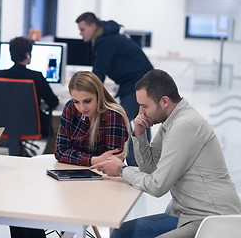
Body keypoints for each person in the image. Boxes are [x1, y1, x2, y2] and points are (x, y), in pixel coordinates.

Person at [91, 69, 241, 238]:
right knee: (122, 233)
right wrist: (140, 134)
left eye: (144, 106)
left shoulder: (184, 125)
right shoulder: (170, 122)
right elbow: (150, 170)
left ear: (164, 101)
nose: (140, 112)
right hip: (185, 215)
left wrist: (121, 170)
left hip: (210, 220)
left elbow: (157, 186)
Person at [76, 12, 153, 166]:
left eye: (82, 29)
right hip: (142, 84)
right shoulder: (108, 37)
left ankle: (132, 165)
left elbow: (99, 71)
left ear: (93, 26)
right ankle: (141, 163)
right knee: (139, 120)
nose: (80, 33)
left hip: (138, 85)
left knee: (119, 119)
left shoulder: (105, 41)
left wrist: (83, 91)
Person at [0, 36, 59, 138]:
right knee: (58, 124)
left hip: (1, 126)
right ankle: (47, 153)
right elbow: (53, 102)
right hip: (31, 126)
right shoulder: (36, 77)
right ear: (27, 54)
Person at [54, 71, 129, 166]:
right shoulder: (71, 107)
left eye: (87, 101)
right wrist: (94, 160)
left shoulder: (113, 115)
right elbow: (60, 151)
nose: (81, 108)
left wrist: (75, 156)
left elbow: (112, 162)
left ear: (99, 95)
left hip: (102, 175)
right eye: (76, 101)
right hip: (73, 170)